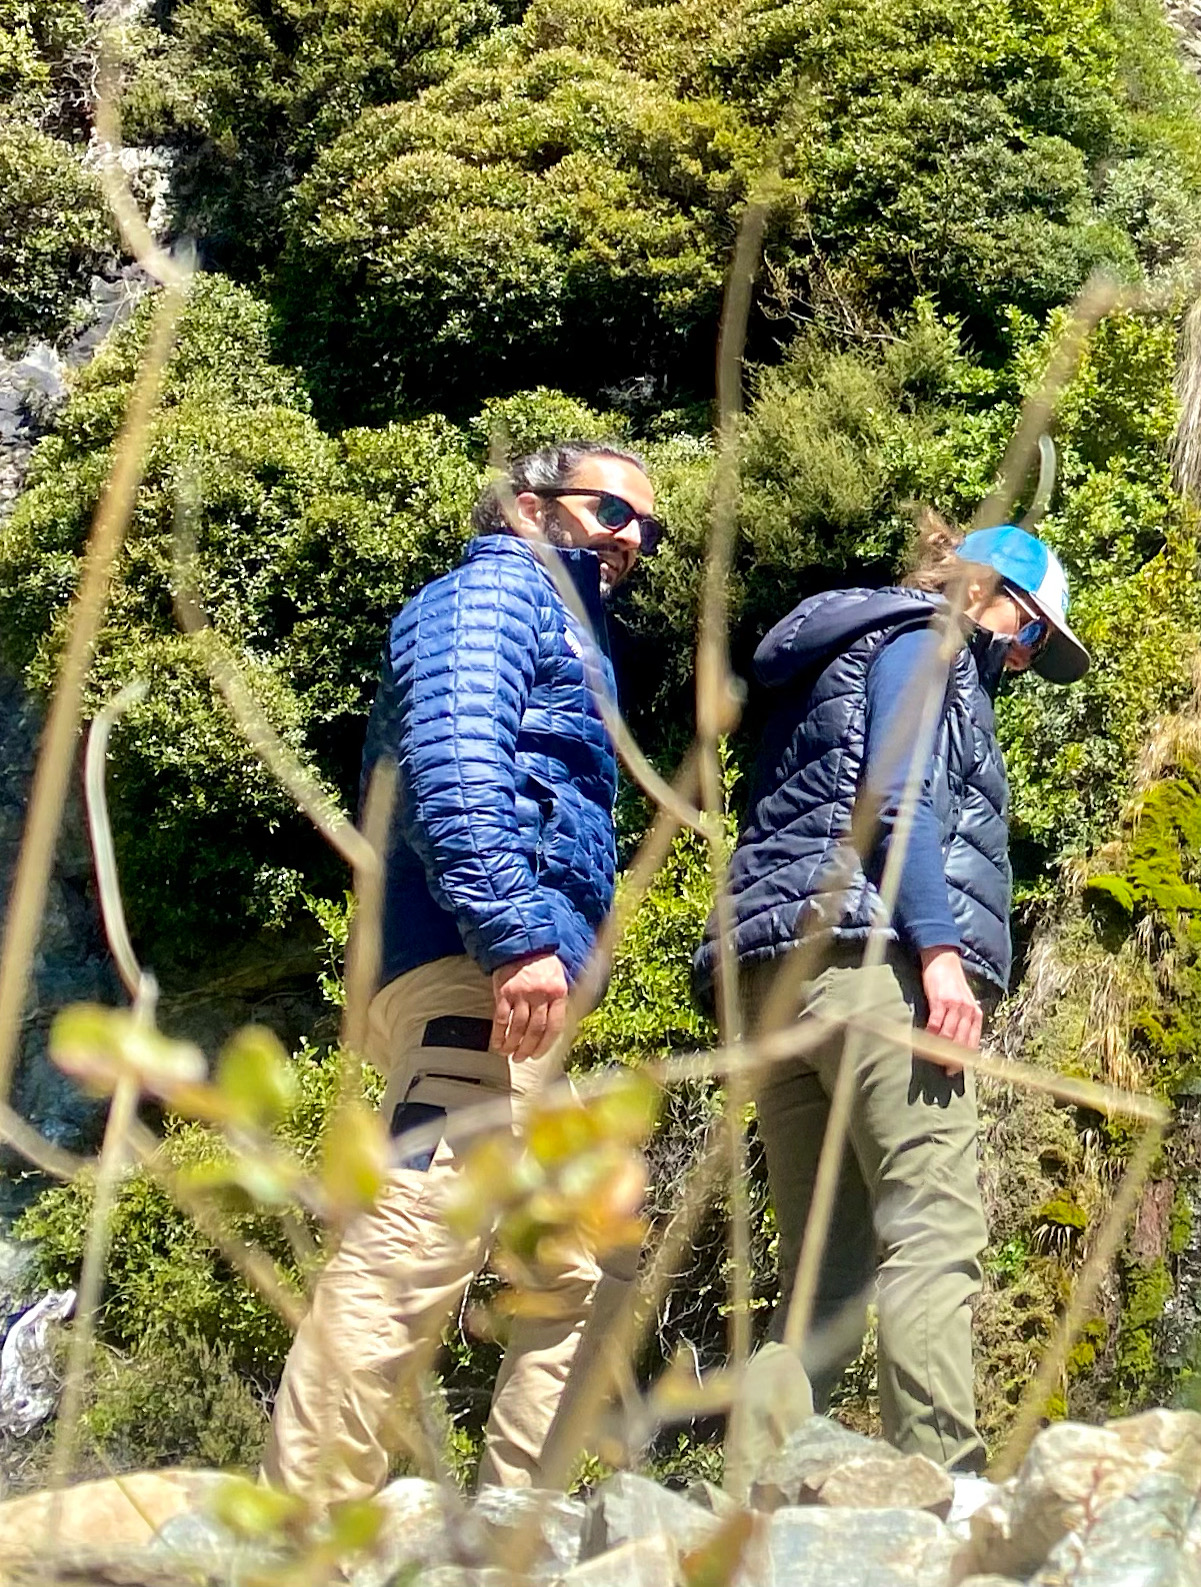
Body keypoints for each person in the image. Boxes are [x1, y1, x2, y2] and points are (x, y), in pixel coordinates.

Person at [266, 440, 661, 1504]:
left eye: (648, 528)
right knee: (420, 1227)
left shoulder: (568, 625)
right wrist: (515, 936)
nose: (631, 538)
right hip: (467, 961)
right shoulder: (491, 593)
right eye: (609, 511)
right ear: (530, 505)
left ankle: (511, 1527)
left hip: (507, 978)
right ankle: (305, 1527)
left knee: (588, 1260)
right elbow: (454, 754)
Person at [702, 520, 1082, 1472]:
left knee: (823, 1277)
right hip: (877, 966)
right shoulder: (929, 641)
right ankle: (942, 1491)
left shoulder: (842, 648)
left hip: (778, 979)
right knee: (935, 1227)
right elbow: (898, 798)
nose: (1028, 662)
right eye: (1032, 635)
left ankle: (756, 1506)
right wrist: (942, 953)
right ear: (995, 598)